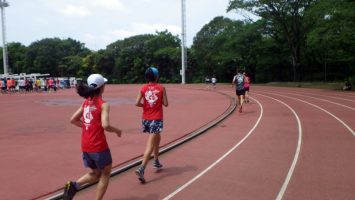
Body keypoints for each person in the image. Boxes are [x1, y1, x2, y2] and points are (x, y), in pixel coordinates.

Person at [63, 74, 122, 200]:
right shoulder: (103, 104)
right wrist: (117, 130)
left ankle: (74, 185)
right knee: (106, 174)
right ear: (101, 87)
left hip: (86, 145)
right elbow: (105, 125)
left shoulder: (85, 103)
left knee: (96, 173)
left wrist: (88, 126)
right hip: (98, 145)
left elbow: (73, 120)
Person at [135, 66, 168, 183]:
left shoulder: (143, 88)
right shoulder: (161, 88)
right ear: (157, 76)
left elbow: (137, 103)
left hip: (146, 119)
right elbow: (166, 103)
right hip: (156, 119)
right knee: (150, 143)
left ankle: (156, 161)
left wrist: (146, 105)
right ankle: (142, 167)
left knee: (157, 138)